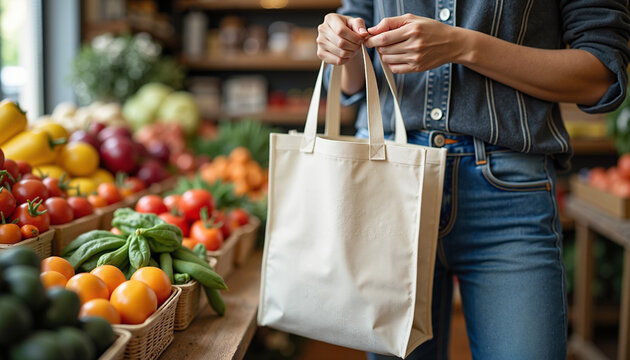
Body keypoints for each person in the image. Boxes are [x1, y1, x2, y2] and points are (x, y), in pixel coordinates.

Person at [316, 1, 630, 359]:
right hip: (390, 188)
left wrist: (462, 45)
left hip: (509, 195)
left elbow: (601, 74)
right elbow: (349, 81)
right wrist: (339, 41)